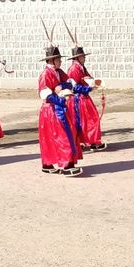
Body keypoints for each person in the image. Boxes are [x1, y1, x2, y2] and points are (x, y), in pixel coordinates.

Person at [38, 43, 82, 176]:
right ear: (52, 61)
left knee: (60, 136)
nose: (61, 61)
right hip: (51, 110)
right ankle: (65, 165)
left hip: (58, 108)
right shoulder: (45, 74)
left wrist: (60, 86)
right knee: (60, 137)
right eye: (58, 59)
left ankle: (49, 164)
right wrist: (61, 100)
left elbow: (70, 83)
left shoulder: (59, 72)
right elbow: (45, 94)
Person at [66, 44, 105, 152]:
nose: (85, 58)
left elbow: (88, 78)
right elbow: (74, 87)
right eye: (83, 56)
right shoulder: (74, 69)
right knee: (89, 120)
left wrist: (95, 83)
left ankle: (88, 141)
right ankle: (91, 142)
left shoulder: (81, 67)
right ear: (78, 58)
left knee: (88, 120)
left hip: (84, 97)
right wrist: (88, 88)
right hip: (78, 99)